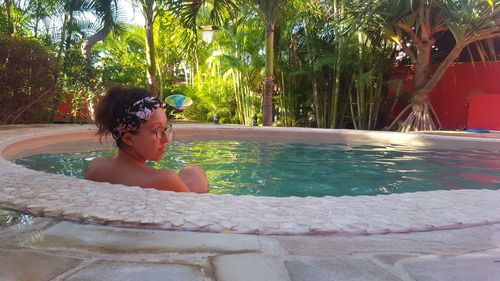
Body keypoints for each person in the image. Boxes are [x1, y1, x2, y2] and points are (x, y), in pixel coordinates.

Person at [84, 86, 209, 193]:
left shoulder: (94, 167)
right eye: (156, 130)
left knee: (190, 172)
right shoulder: (165, 179)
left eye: (166, 128)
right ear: (128, 138)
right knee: (194, 172)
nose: (166, 139)